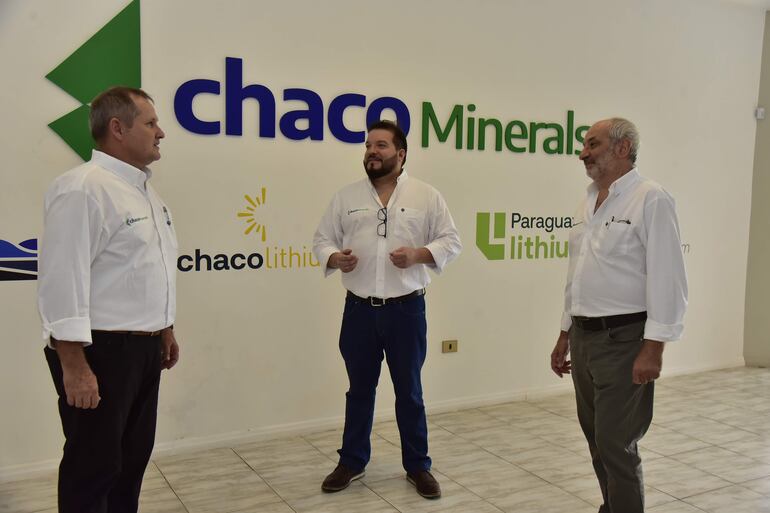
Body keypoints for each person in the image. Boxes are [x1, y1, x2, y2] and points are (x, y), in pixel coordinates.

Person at [38, 86, 179, 513]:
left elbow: (144, 268)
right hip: (98, 352)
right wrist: (74, 365)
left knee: (131, 463)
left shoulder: (144, 191)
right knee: (93, 468)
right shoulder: (82, 189)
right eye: (151, 123)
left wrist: (165, 328)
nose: (161, 133)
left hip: (142, 349)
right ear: (117, 128)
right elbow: (62, 280)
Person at [313, 120, 461, 499]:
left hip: (406, 312)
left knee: (409, 392)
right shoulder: (346, 197)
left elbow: (451, 241)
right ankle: (352, 461)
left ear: (401, 152)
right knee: (359, 390)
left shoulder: (427, 196)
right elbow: (322, 238)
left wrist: (418, 254)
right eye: (368, 146)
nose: (372, 152)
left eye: (380, 145)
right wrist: (334, 258)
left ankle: (418, 466)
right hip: (359, 311)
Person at [550, 118, 687, 513]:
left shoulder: (651, 198)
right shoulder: (587, 200)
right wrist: (564, 334)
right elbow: (577, 275)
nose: (582, 153)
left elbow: (668, 278)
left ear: (622, 148)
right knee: (595, 437)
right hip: (583, 337)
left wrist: (654, 348)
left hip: (625, 340)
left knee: (616, 443)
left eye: (592, 144)